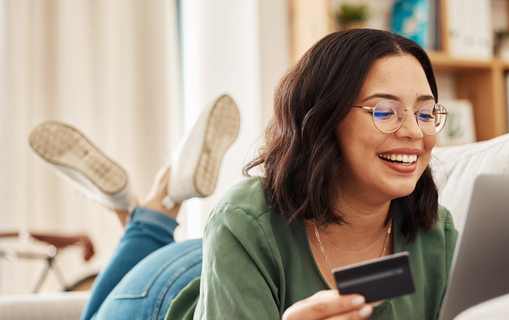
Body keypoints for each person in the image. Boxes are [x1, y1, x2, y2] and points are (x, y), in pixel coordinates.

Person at [31, 28, 457, 320]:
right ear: (322, 120)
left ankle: (145, 204)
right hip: (168, 290)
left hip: (232, 263)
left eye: (424, 112)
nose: (413, 132)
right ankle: (151, 213)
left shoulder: (438, 233)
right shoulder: (244, 218)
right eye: (385, 111)